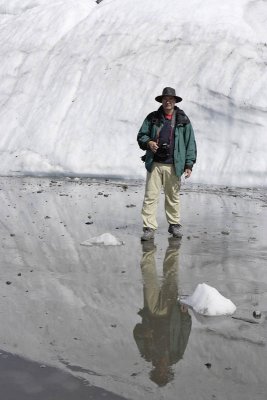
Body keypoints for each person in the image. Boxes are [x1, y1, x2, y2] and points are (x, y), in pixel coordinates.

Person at [137, 87, 197, 241]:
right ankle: (148, 227)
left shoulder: (183, 119)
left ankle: (174, 224)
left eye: (171, 99)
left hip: (174, 165)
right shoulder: (152, 118)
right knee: (151, 196)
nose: (168, 101)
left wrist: (189, 165)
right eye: (165, 99)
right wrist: (149, 142)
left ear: (175, 101)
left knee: (173, 197)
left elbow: (190, 143)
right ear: (162, 101)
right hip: (155, 163)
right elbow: (141, 135)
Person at [133, 238, 192, 386]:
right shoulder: (176, 355)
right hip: (171, 311)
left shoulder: (147, 354)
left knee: (149, 279)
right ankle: (173, 248)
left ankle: (148, 249)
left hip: (151, 311)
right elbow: (185, 332)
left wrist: (144, 333)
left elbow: (136, 332)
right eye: (163, 373)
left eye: (158, 373)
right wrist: (185, 315)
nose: (161, 370)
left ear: (153, 371)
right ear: (168, 371)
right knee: (171, 276)